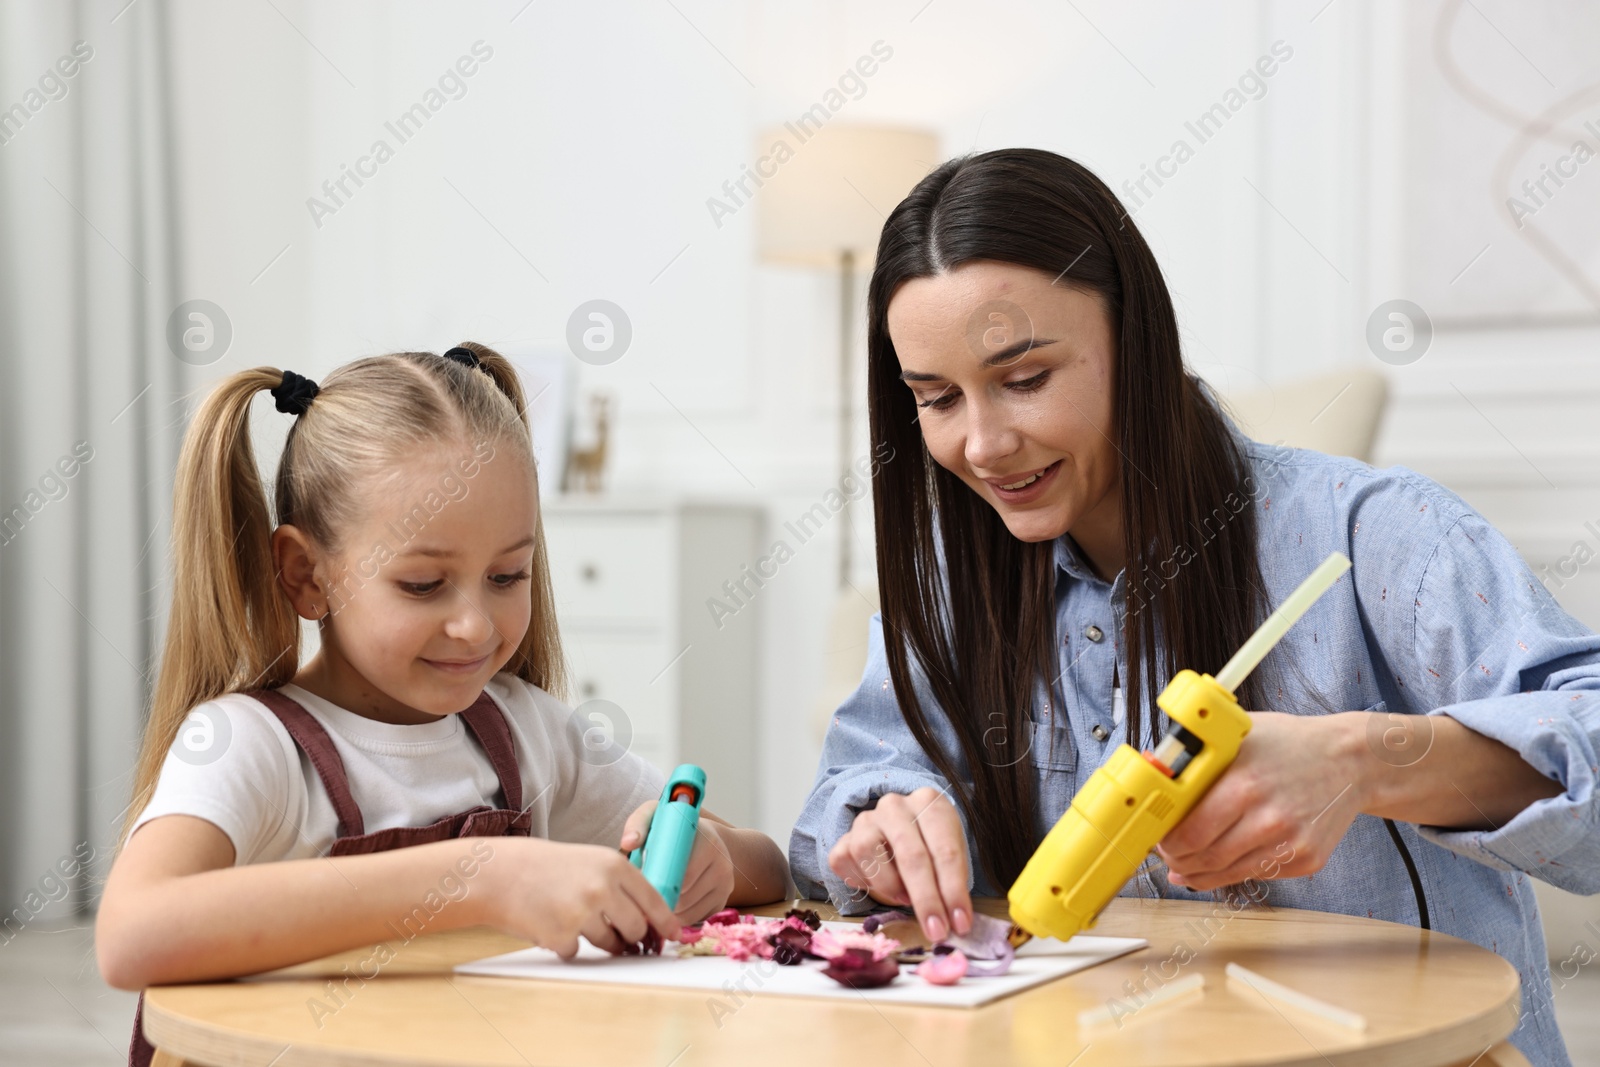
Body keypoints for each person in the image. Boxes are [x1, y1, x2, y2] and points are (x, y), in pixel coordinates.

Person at [788, 149, 1598, 1066]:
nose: (983, 443)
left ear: (1136, 338)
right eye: (936, 399)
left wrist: (1366, 759)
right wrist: (884, 824)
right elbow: (839, 809)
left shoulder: (1371, 535)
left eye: (1024, 379)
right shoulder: (951, 586)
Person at [98, 344, 789, 1065]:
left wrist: (711, 857)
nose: (477, 626)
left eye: (507, 574)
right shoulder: (251, 743)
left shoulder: (527, 730)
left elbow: (768, 864)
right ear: (307, 574)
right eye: (424, 584)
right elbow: (130, 936)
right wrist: (482, 877)